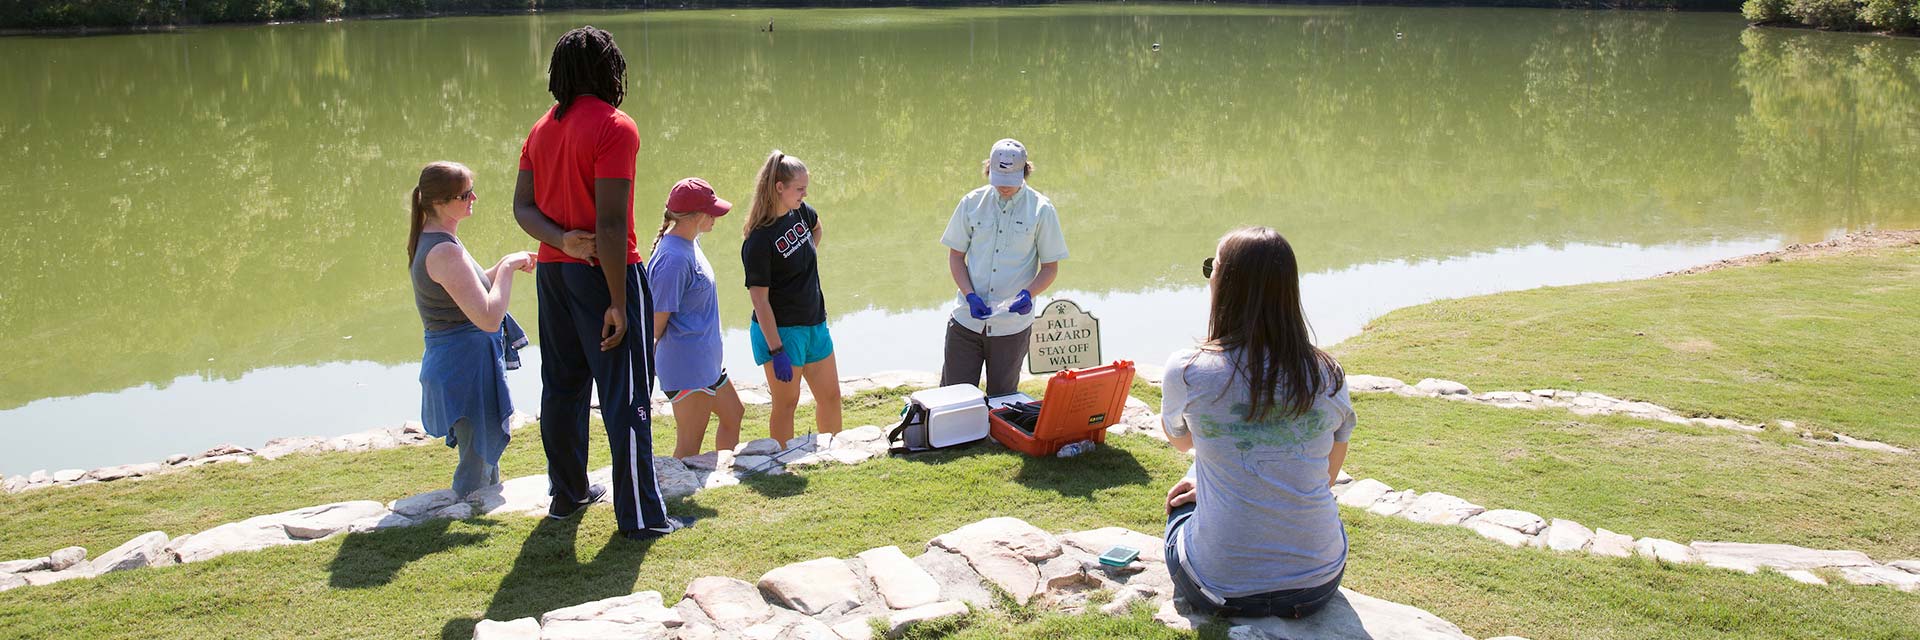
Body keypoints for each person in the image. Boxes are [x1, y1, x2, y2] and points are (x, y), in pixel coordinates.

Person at [512, 26, 692, 539]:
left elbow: (522, 208)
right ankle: (640, 516)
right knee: (627, 392)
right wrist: (618, 300)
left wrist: (560, 240)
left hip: (554, 275)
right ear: (609, 70)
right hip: (608, 273)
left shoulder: (541, 129)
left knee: (563, 387)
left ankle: (566, 494)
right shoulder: (616, 127)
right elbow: (611, 224)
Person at [1159, 226, 1354, 619]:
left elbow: (1183, 443)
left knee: (1180, 505)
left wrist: (1211, 482)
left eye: (1212, 269)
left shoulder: (1188, 369)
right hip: (1316, 584)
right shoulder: (1327, 374)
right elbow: (1326, 477)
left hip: (1217, 588)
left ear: (1225, 286)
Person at [407, 161, 533, 497]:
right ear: (438, 203)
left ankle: (480, 507)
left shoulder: (440, 241)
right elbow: (489, 317)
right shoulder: (444, 250)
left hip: (462, 364)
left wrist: (508, 262)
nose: (473, 197)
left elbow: (473, 288)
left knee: (482, 455)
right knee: (475, 462)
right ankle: (469, 508)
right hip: (464, 368)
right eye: (465, 194)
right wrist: (507, 267)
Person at [939, 138, 1069, 396]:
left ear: (1025, 172)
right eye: (998, 179)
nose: (1004, 187)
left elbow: (1049, 267)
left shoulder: (1042, 210)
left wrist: (1028, 294)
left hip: (1012, 327)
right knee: (953, 397)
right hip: (967, 320)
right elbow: (956, 256)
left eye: (1010, 180)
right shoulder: (971, 202)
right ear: (989, 170)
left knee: (1003, 400)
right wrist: (970, 295)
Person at [740, 150, 842, 448]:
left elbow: (817, 227)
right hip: (782, 332)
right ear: (778, 188)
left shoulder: (801, 212)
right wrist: (777, 350)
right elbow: (759, 300)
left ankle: (833, 454)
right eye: (799, 189)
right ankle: (781, 459)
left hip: (814, 323)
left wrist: (803, 264)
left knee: (831, 396)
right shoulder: (758, 240)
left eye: (805, 189)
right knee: (787, 404)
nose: (804, 194)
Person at [648, 178, 747, 459]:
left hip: (706, 363)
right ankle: (677, 499)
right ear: (694, 216)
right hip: (687, 367)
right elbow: (656, 324)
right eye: (711, 211)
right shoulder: (673, 259)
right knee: (689, 448)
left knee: (733, 414)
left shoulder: (690, 243)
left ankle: (720, 477)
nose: (716, 217)